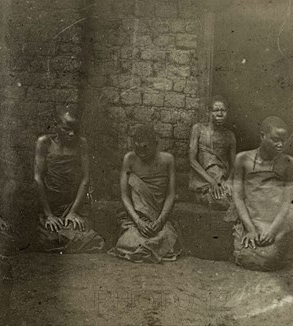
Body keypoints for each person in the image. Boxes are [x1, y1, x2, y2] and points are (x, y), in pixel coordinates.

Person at [33, 106, 105, 253]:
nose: (72, 134)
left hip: (72, 204)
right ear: (56, 126)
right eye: (66, 129)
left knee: (88, 238)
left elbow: (85, 179)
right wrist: (49, 215)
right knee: (45, 237)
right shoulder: (44, 142)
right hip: (50, 205)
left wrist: (73, 212)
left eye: (75, 129)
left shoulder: (81, 143)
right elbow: (38, 178)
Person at [231, 116, 293, 271]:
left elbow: (288, 202)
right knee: (246, 255)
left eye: (283, 140)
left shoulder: (289, 163)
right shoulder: (242, 159)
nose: (280, 144)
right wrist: (251, 229)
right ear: (262, 136)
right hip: (251, 219)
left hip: (274, 222)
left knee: (270, 257)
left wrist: (272, 231)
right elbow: (238, 197)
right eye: (275, 139)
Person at [108, 124, 180, 263]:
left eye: (145, 147)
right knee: (129, 242)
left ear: (155, 144)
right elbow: (124, 196)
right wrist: (138, 221)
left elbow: (171, 194)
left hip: (158, 215)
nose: (141, 153)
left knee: (166, 239)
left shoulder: (168, 160)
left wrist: (160, 222)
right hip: (136, 217)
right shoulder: (129, 159)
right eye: (137, 148)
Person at [188, 96, 236, 211]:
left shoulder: (230, 135)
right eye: (215, 110)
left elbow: (234, 165)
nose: (220, 114)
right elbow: (192, 160)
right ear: (209, 112)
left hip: (222, 181)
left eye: (223, 110)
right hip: (204, 182)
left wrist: (229, 182)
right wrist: (212, 182)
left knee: (241, 198)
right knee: (227, 203)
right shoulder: (198, 129)